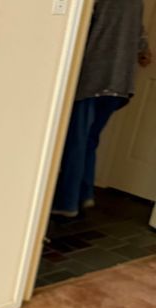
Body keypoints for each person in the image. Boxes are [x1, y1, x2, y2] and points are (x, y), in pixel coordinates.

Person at [52, 0, 152, 218]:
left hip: (93, 79)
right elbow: (138, 35)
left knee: (75, 143)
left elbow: (79, 31)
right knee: (89, 141)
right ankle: (84, 193)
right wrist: (144, 51)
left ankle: (66, 202)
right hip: (119, 83)